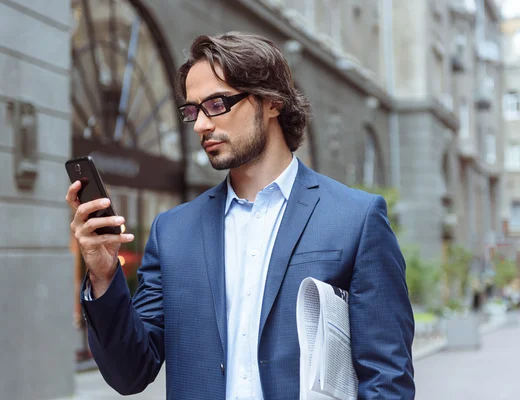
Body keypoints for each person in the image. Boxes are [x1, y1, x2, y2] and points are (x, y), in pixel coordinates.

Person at [66, 32, 415, 400]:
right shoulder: (173, 232)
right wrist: (104, 277)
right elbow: (130, 373)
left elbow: (386, 379)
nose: (200, 125)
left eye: (217, 104)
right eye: (192, 111)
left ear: (272, 102)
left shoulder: (355, 219)